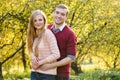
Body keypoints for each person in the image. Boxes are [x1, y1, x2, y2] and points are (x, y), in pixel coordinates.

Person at [39, 4, 77, 80]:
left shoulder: (70, 34)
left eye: (62, 14)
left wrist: (51, 66)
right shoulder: (46, 29)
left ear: (66, 17)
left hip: (61, 75)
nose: (59, 16)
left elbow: (71, 58)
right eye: (57, 12)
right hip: (44, 73)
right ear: (53, 13)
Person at [26, 9, 60, 80]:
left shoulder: (48, 33)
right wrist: (33, 57)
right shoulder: (33, 35)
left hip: (47, 74)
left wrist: (41, 62)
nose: (38, 22)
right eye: (35, 20)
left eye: (40, 20)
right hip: (35, 73)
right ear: (32, 23)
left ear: (44, 21)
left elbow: (56, 54)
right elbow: (29, 49)